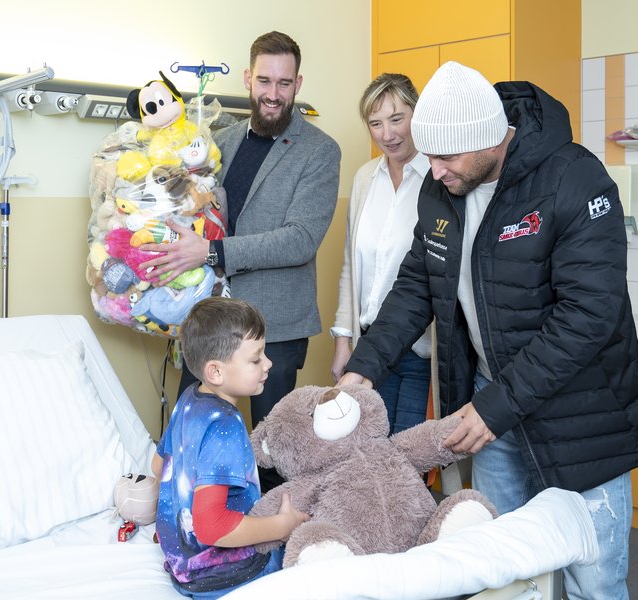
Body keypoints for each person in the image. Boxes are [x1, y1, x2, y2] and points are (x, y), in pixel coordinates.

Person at [338, 61, 638, 599]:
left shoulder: (573, 180)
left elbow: (588, 316)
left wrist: (495, 409)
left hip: (583, 411)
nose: (433, 169)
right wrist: (363, 369)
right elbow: (417, 284)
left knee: (595, 580)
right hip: (495, 400)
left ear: (491, 138)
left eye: (445, 156)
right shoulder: (444, 189)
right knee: (504, 570)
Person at [140, 31, 341, 491]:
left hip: (276, 325)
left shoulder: (319, 150)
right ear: (249, 79)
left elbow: (300, 240)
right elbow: (197, 207)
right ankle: (205, 527)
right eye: (265, 80)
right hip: (213, 321)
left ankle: (269, 544)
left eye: (285, 83)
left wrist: (210, 252)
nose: (274, 94)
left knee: (271, 449)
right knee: (204, 433)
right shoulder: (219, 141)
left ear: (298, 83)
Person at [152, 297, 309, 599]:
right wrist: (280, 526)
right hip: (226, 575)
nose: (269, 364)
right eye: (256, 359)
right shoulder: (226, 426)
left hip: (183, 566)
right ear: (216, 372)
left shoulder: (188, 399)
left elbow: (159, 466)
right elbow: (212, 528)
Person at [330, 73, 432, 435]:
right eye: (375, 123)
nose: (387, 134)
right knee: (369, 455)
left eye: (396, 118)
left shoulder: (439, 179)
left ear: (417, 115)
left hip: (422, 351)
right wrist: (344, 342)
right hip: (368, 346)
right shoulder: (363, 179)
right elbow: (349, 268)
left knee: (408, 459)